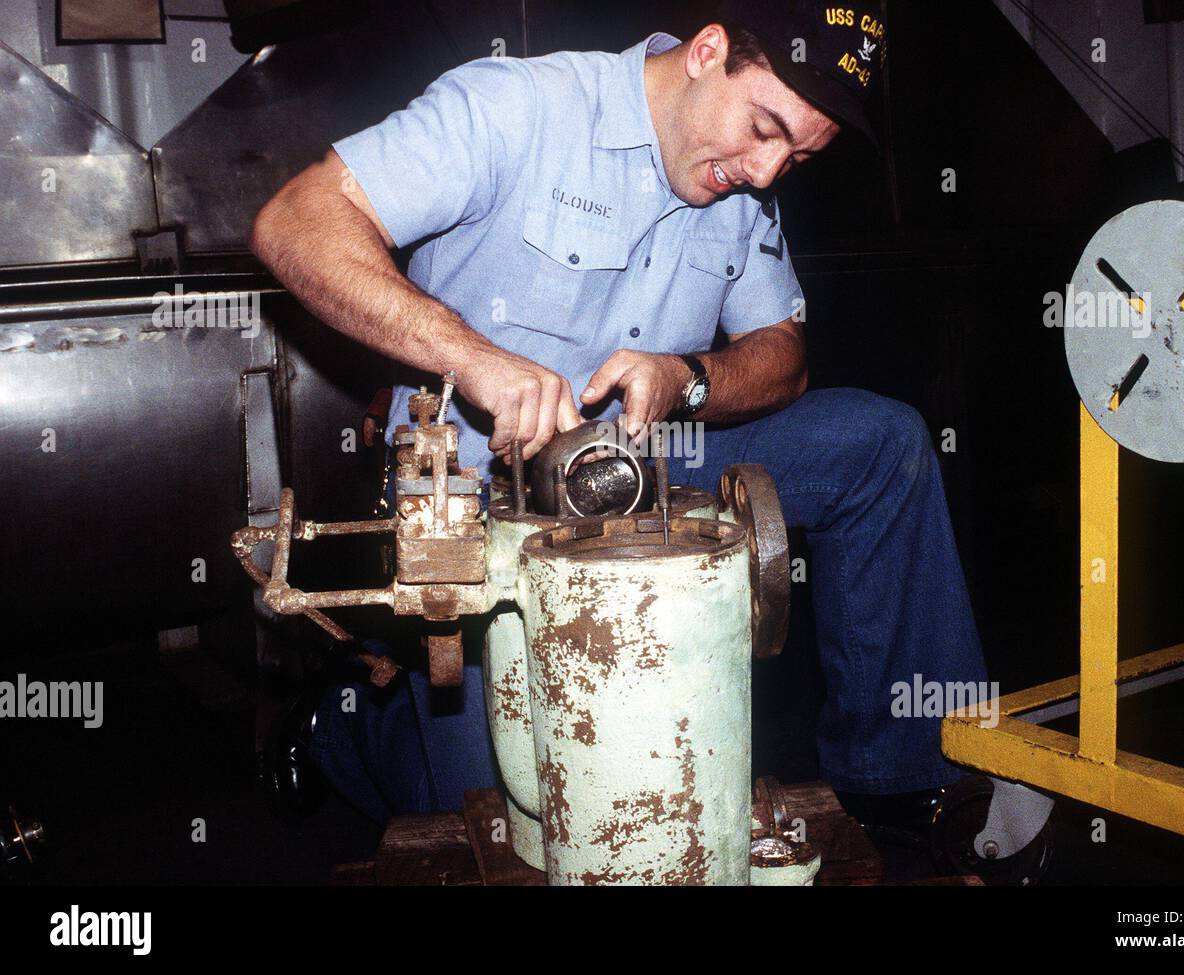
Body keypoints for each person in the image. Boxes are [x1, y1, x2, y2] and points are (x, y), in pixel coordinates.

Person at [250, 1, 987, 835]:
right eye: (763, 128)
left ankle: (899, 780)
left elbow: (783, 352)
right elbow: (297, 221)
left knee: (881, 445)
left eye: (798, 155)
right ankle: (348, 725)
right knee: (501, 816)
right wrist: (474, 357)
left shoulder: (742, 183)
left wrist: (689, 379)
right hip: (478, 489)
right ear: (709, 51)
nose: (767, 170)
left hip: (649, 461)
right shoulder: (517, 108)